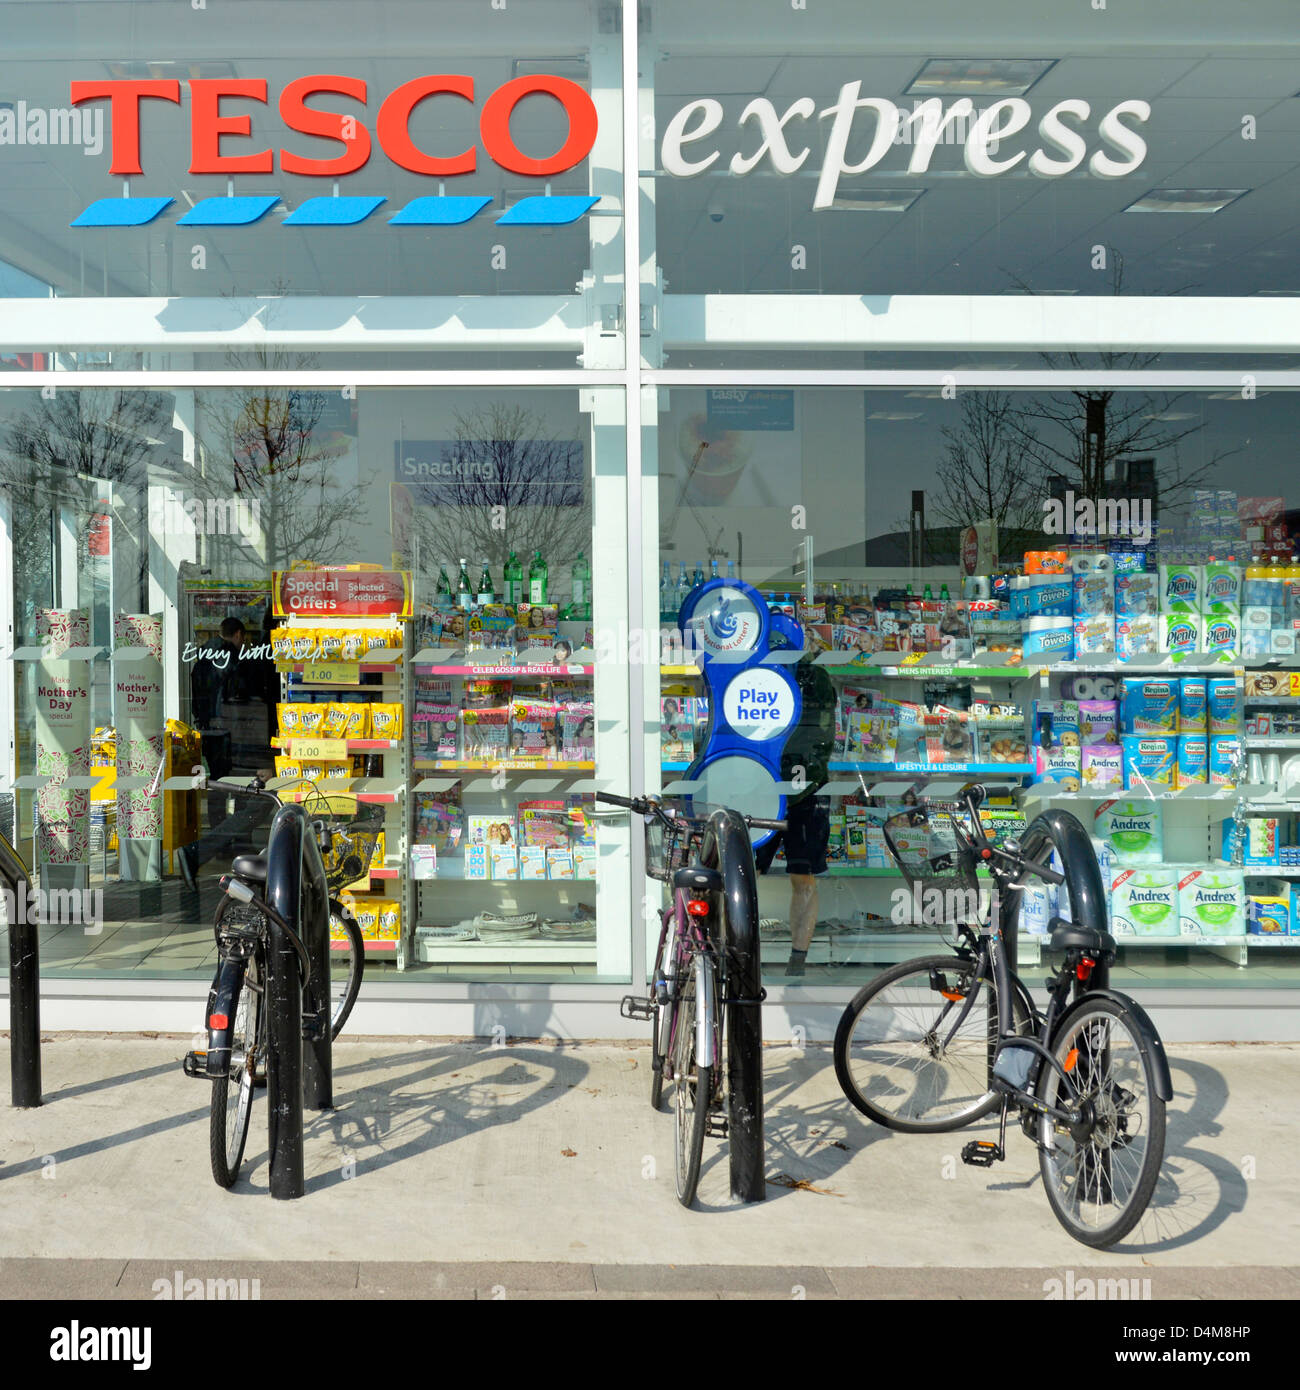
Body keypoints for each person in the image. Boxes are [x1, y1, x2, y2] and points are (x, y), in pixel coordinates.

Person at [754, 649, 837, 977]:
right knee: (744, 875)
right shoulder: (751, 672)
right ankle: (735, 952)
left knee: (803, 876)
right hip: (760, 782)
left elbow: (821, 735)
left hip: (802, 786)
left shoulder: (813, 677)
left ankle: (797, 962)